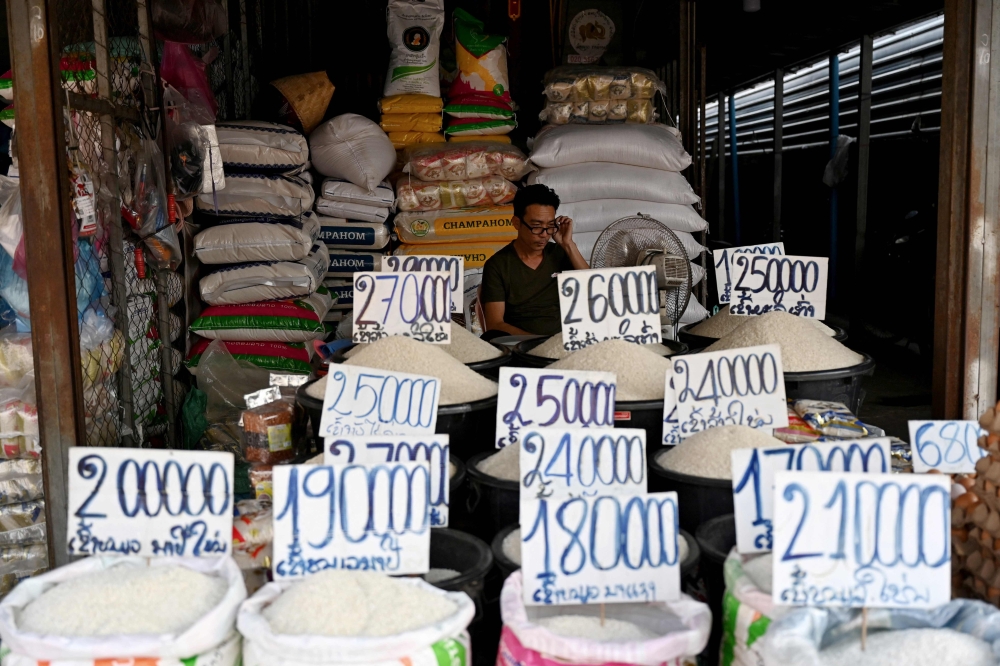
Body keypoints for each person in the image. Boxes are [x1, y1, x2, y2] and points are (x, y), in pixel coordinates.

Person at [480, 184, 589, 338]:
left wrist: (568, 245)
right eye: (536, 226)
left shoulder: (559, 253)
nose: (544, 235)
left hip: (567, 340)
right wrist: (539, 343)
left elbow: (595, 287)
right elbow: (495, 324)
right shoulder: (498, 265)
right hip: (522, 346)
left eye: (550, 226)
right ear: (517, 223)